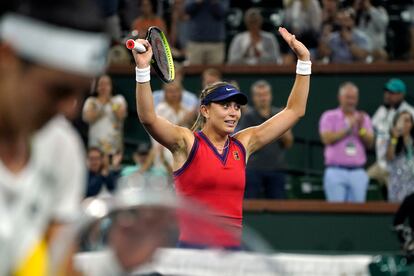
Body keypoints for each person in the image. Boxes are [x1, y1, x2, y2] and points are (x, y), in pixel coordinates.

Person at [132, 26, 311, 248]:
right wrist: (142, 69)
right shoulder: (186, 142)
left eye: (236, 107)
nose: (233, 112)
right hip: (192, 254)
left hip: (232, 256)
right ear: (205, 110)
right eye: (225, 106)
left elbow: (294, 111)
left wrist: (304, 61)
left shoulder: (244, 144)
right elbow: (148, 118)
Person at [0, 0, 109, 274]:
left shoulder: (62, 144)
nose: (71, 108)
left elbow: (60, 265)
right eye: (57, 91)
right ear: (6, 57)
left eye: (81, 93)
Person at [237, 80, 293, 199]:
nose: (263, 98)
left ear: (270, 95)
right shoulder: (248, 116)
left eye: (265, 94)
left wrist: (283, 127)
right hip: (253, 169)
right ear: (254, 97)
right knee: (250, 206)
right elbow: (244, 143)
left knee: (278, 208)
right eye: (259, 95)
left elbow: (288, 143)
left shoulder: (279, 114)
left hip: (276, 168)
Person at [319, 82, 374, 202]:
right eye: (348, 97)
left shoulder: (363, 118)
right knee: (336, 213)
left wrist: (361, 129)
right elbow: (326, 138)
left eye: (353, 98)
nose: (351, 101)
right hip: (335, 171)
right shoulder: (329, 116)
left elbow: (370, 143)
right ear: (340, 98)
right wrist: (347, 128)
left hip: (358, 172)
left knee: (359, 215)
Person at [368, 78, 414, 194]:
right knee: (363, 182)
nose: (388, 95)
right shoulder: (382, 111)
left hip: (401, 164)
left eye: (392, 93)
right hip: (381, 163)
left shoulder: (410, 112)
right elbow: (371, 133)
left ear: (401, 94)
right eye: (387, 92)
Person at [82, 74, 128, 155]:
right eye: (101, 84)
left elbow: (120, 116)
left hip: (114, 146)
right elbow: (88, 118)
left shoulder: (119, 100)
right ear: (96, 87)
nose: (104, 87)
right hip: (95, 146)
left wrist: (110, 101)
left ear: (111, 86)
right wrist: (102, 105)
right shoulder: (91, 101)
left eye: (106, 84)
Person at [184, 0, 229, 65]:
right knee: (193, 70)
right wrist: (197, 2)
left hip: (215, 43)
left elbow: (222, 13)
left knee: (215, 71)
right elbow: (187, 10)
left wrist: (214, 2)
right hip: (195, 42)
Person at [386, 111, 414, 203]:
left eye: (407, 121)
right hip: (397, 185)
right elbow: (389, 157)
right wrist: (394, 138)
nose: (404, 124)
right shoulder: (392, 140)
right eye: (401, 121)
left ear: (412, 124)